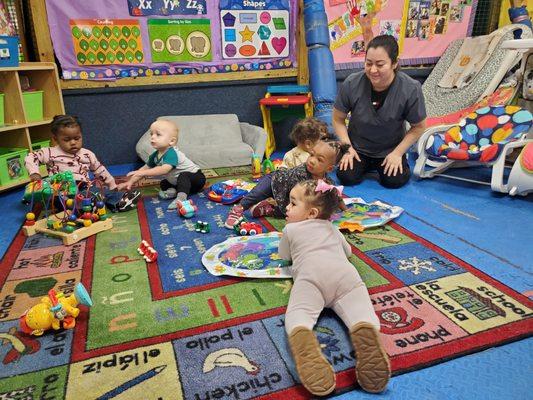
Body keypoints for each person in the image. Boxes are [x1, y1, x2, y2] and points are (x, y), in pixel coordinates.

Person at [278, 179, 390, 396]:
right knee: (361, 312)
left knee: (298, 316)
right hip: (345, 275)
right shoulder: (331, 227)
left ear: (311, 213)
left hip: (311, 278)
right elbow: (348, 252)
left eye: (292, 204)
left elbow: (285, 256)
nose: (287, 208)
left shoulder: (290, 230)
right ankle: (365, 330)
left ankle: (304, 340)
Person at [333, 34, 427, 188]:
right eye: (368, 63)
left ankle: (396, 161)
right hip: (357, 149)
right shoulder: (352, 83)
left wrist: (397, 153)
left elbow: (419, 126)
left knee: (394, 181)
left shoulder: (410, 88)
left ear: (394, 63)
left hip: (390, 150)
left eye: (380, 64)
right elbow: (338, 119)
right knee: (346, 176)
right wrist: (347, 148)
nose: (373, 70)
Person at [24, 115, 140, 212]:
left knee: (98, 191)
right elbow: (30, 157)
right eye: (67, 139)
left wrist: (112, 185)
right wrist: (34, 173)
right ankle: (85, 206)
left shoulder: (87, 154)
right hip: (61, 188)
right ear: (55, 139)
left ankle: (119, 201)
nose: (73, 143)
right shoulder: (49, 152)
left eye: (77, 138)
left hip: (84, 186)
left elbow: (100, 170)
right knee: (60, 200)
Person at [224, 139, 349, 229]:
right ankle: (238, 209)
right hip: (275, 181)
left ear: (329, 169)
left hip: (286, 195)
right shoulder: (302, 174)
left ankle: (268, 208)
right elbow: (297, 199)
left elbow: (335, 195)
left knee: (289, 210)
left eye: (319, 160)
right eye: (311, 155)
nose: (311, 160)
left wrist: (346, 210)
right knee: (257, 193)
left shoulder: (326, 182)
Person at [117, 119, 206, 211]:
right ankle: (175, 192)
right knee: (164, 183)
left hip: (197, 179)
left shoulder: (172, 153)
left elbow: (164, 169)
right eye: (151, 134)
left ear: (171, 141)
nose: (152, 137)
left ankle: (181, 198)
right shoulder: (155, 155)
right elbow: (143, 170)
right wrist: (130, 182)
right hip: (181, 183)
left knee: (183, 176)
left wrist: (142, 173)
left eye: (158, 134)